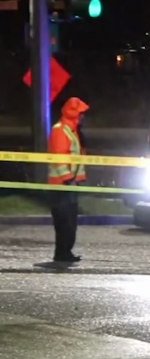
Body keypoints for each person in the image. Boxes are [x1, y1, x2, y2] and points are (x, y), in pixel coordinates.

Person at [48, 97, 89, 263]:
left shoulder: (73, 131)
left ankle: (66, 252)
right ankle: (61, 254)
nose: (85, 117)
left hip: (71, 184)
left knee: (70, 222)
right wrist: (67, 178)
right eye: (82, 113)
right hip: (61, 186)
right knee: (64, 222)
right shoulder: (60, 130)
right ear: (74, 113)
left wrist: (76, 179)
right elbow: (59, 157)